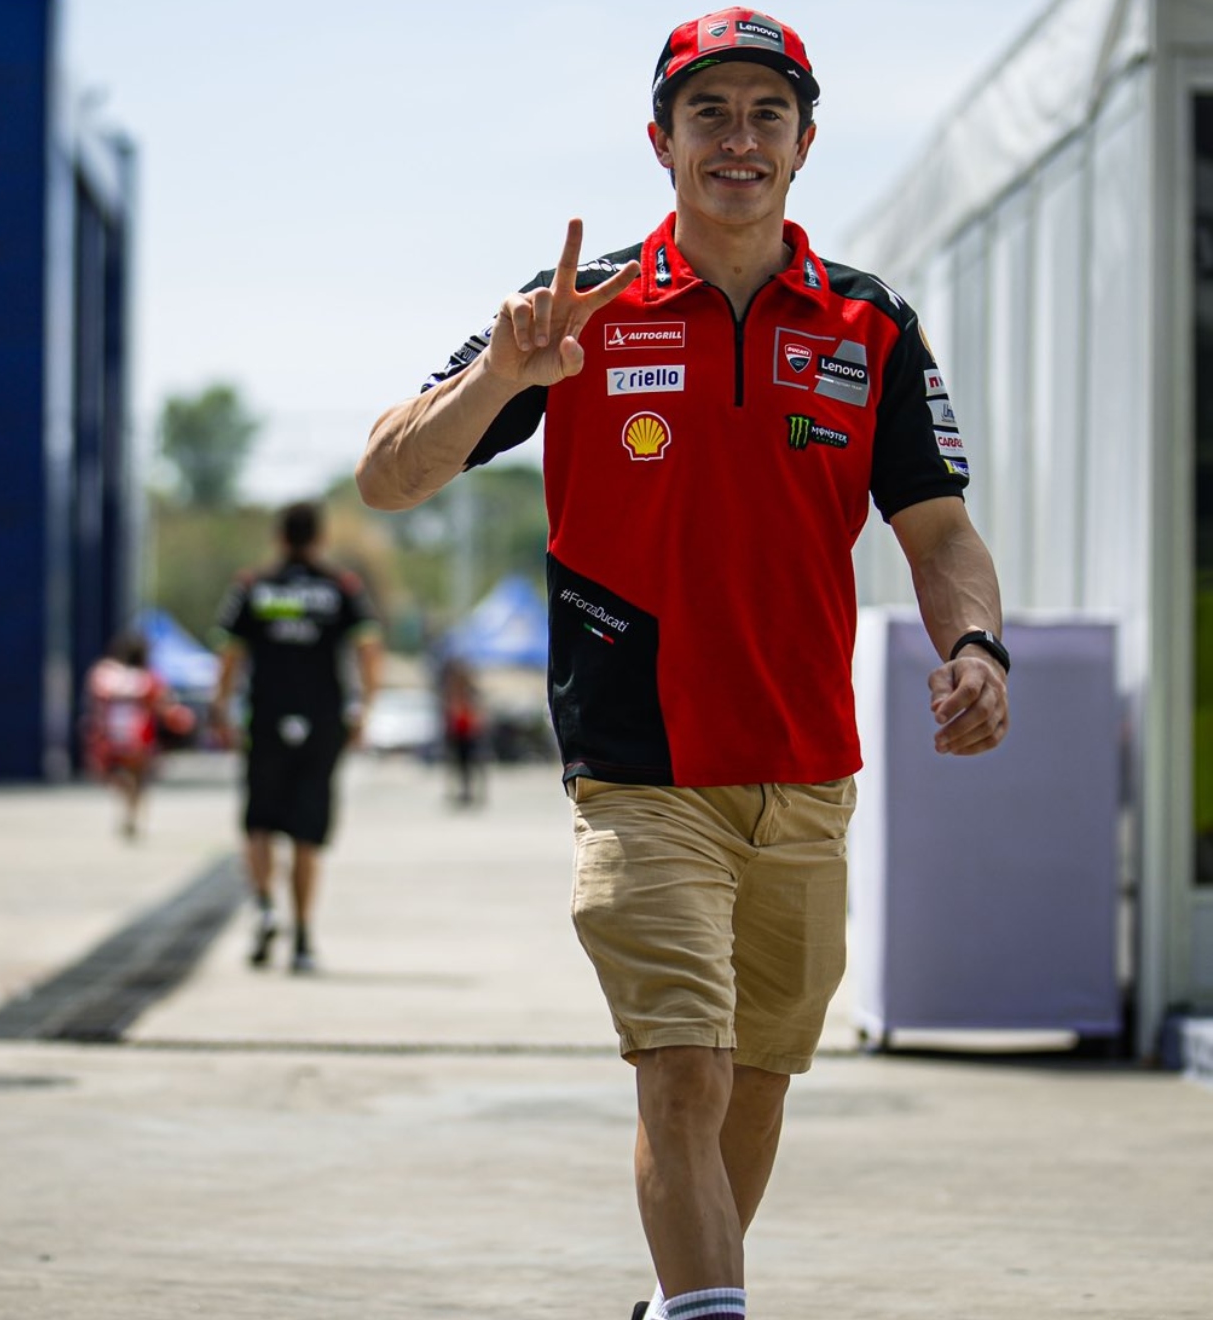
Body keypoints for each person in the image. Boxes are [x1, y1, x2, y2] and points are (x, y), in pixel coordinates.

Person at [354, 10, 1009, 1320]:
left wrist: (978, 643)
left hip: (808, 772)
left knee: (757, 1078)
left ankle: (676, 1304)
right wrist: (503, 371)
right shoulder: (578, 310)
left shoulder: (870, 325)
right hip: (642, 770)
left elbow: (936, 529)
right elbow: (389, 478)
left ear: (806, 143)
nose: (739, 139)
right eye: (709, 113)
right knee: (686, 1072)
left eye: (768, 114)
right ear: (661, 141)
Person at [211, 501, 383, 975]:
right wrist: (363, 706)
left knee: (258, 823)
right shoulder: (341, 587)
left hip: (264, 720)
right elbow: (369, 650)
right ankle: (304, 936)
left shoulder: (253, 586)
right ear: (319, 538)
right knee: (308, 832)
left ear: (280, 538)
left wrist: (221, 709)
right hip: (322, 723)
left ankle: (265, 905)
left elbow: (229, 654)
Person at [82, 630, 173, 839]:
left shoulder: (105, 673)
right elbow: (161, 704)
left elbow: (96, 701)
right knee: (139, 779)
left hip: (113, 733)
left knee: (119, 776)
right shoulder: (149, 678)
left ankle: (128, 812)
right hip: (140, 733)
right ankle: (133, 814)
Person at [438, 656, 486, 807]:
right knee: (457, 764)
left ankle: (472, 792)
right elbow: (448, 711)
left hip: (469, 732)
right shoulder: (451, 689)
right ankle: (461, 792)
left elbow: (478, 710)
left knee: (472, 764)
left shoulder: (469, 690)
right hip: (457, 732)